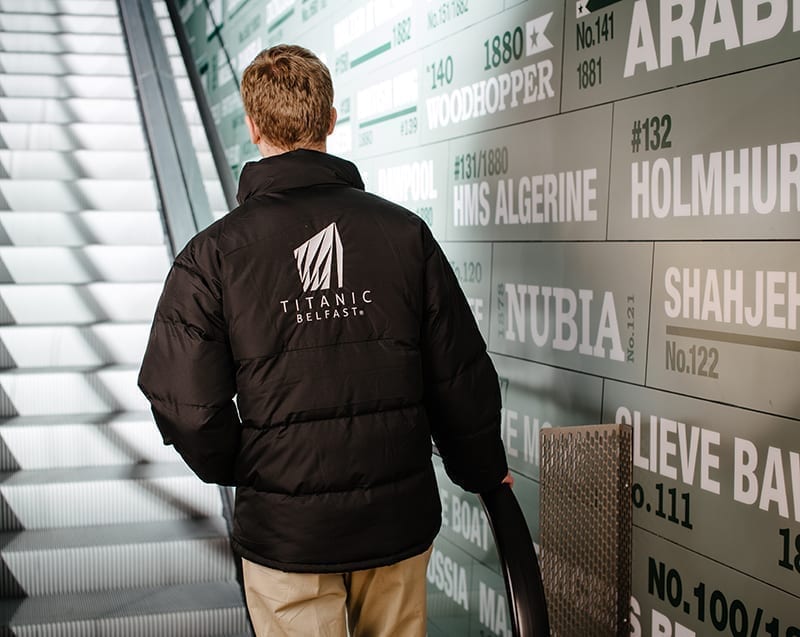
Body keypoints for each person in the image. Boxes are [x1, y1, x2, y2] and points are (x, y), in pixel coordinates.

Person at [138, 44, 510, 637]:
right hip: (396, 522)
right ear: (332, 121)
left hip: (288, 537)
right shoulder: (404, 233)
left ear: (253, 127)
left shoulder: (212, 255)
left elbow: (184, 403)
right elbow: (457, 373)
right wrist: (483, 465)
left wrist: (253, 466)